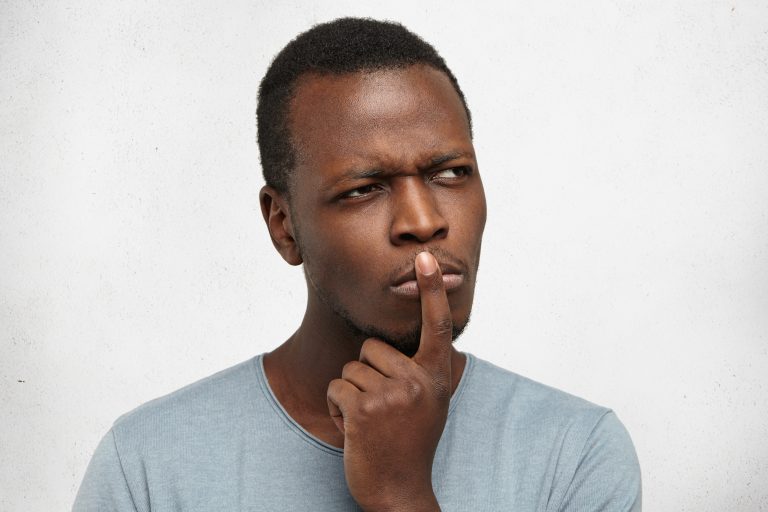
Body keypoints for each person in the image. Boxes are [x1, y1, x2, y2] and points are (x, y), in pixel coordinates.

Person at [73, 17, 641, 511]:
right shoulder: (147, 463)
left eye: (450, 173)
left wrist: (402, 498)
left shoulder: (574, 450)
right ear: (283, 224)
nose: (423, 221)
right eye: (364, 189)